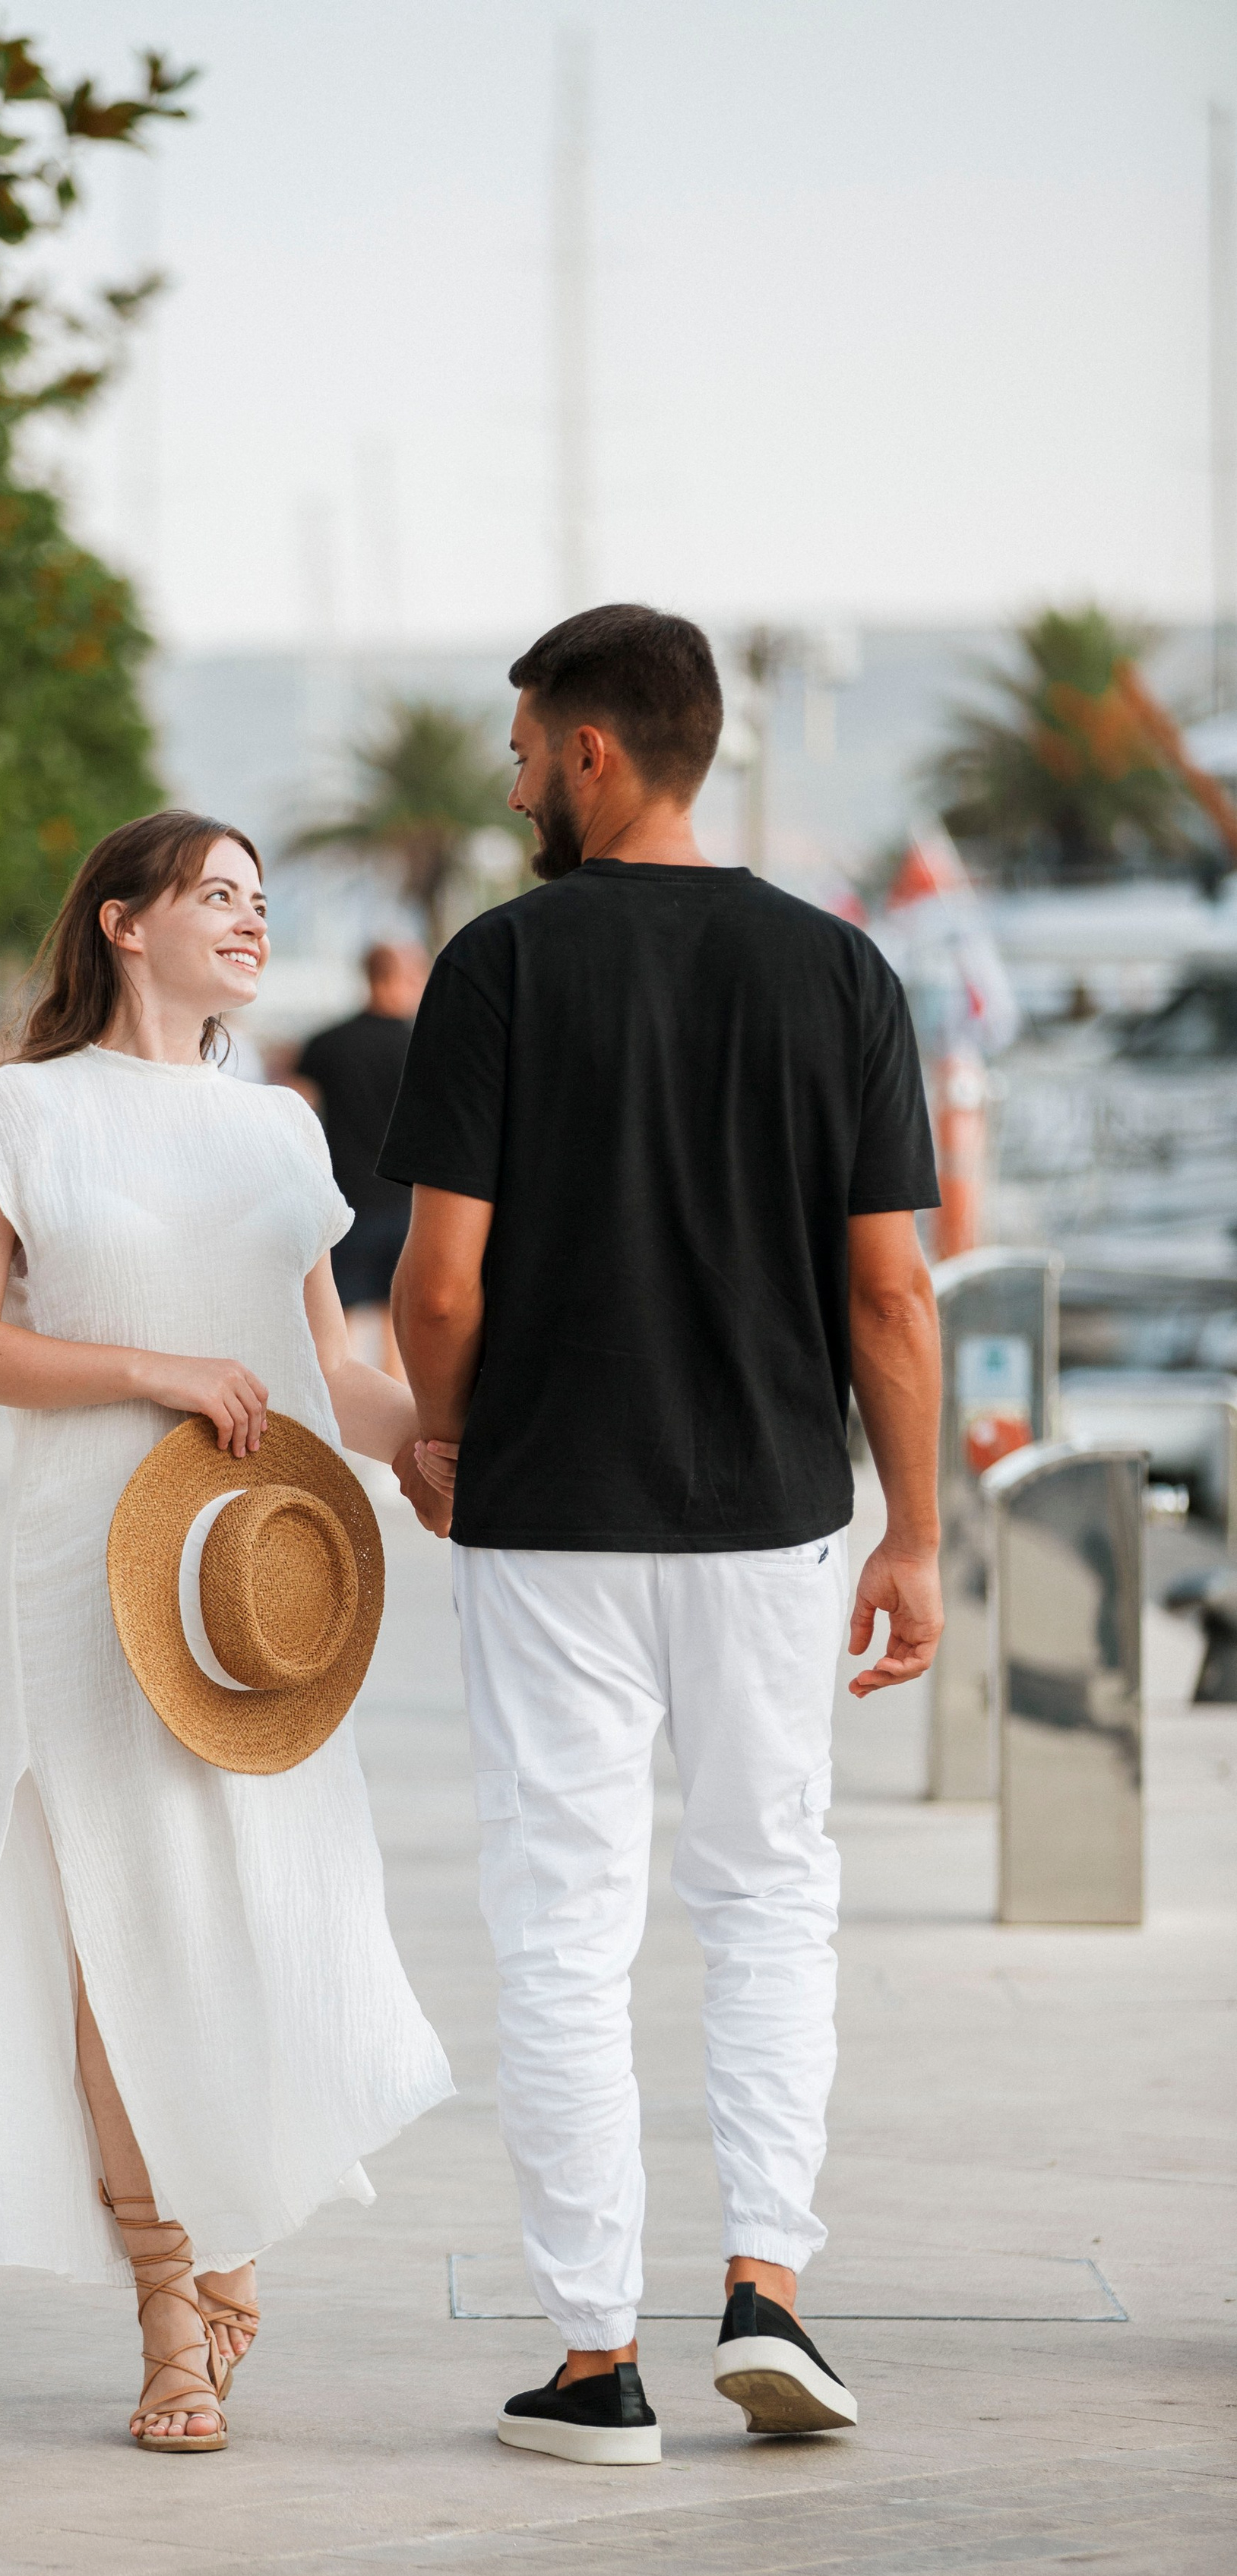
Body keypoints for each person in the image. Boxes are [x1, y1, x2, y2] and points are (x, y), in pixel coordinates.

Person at [381, 603, 943, 2468]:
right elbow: (888, 1299)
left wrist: (443, 1430)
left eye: (525, 744)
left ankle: (591, 2353)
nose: (514, 775)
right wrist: (914, 1532)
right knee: (767, 1890)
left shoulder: (499, 967)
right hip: (773, 1519)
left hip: (550, 1518)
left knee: (562, 1915)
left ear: (596, 753)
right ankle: (765, 2286)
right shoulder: (840, 975)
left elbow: (436, 1276)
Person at [0, 810, 454, 2453]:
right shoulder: (19, 1114)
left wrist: (438, 1443)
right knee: (118, 1934)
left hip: (259, 1583)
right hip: (90, 1565)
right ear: (121, 921)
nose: (246, 921)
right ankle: (169, 2303)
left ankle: (225, 2226)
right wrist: (149, 1372)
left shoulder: (282, 1130)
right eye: (214, 897)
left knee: (268, 1924)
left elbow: (326, 1374)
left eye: (260, 901)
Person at [293, 941, 428, 1373]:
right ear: (395, 978)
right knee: (398, 1324)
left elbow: (298, 1118)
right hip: (407, 1202)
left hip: (345, 1199)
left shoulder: (324, 1044)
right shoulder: (423, 1047)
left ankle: (338, 1431)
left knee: (340, 1329)